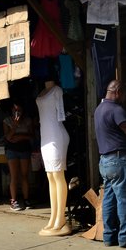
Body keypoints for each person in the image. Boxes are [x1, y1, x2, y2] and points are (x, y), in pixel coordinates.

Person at [94, 80, 126, 248]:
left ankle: (109, 236)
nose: (124, 98)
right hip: (119, 160)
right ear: (117, 92)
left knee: (109, 199)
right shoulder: (116, 110)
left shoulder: (99, 109)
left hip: (105, 161)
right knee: (125, 200)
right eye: (123, 94)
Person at [36, 77, 71, 236]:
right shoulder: (42, 92)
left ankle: (61, 218)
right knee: (50, 176)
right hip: (45, 136)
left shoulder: (57, 90)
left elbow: (61, 114)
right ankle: (53, 217)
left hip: (56, 134)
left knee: (58, 175)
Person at [2, 101, 34, 211]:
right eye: (15, 110)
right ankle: (13, 201)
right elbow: (8, 137)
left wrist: (18, 137)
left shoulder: (27, 121)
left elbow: (31, 136)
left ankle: (26, 199)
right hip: (12, 150)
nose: (17, 112)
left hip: (24, 149)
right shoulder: (7, 121)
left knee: (24, 175)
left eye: (19, 110)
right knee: (14, 176)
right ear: (11, 110)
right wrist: (15, 127)